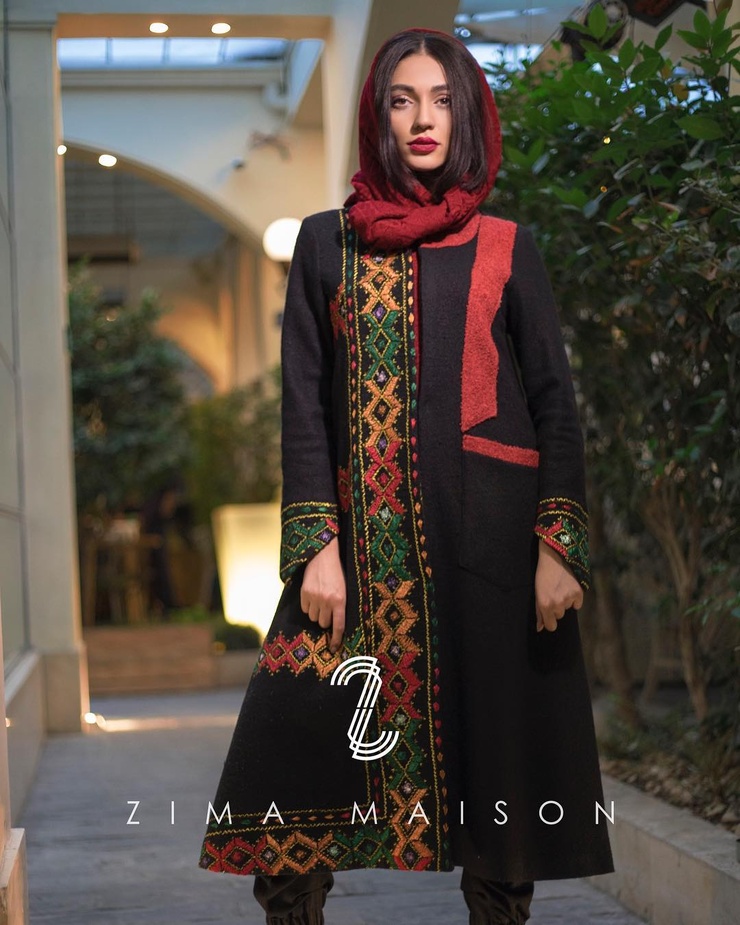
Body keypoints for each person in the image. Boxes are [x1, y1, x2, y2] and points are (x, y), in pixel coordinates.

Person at [198, 27, 614, 925]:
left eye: (441, 100)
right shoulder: (326, 245)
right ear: (377, 117)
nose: (423, 118)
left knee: (499, 794)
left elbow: (554, 404)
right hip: (356, 559)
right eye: (401, 99)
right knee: (290, 771)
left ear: (467, 116)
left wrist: (558, 545)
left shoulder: (506, 245)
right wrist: (315, 546)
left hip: (489, 556)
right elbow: (304, 408)